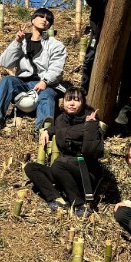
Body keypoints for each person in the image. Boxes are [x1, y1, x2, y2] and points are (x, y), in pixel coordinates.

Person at [0, 7, 67, 132]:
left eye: (48, 19)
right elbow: (5, 62)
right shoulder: (22, 41)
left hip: (45, 85)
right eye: (41, 16)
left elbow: (57, 68)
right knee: (7, 80)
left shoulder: (55, 45)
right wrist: (17, 43)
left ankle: (42, 129)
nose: (44, 20)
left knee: (47, 94)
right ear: (32, 20)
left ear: (49, 25)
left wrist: (45, 81)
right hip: (22, 83)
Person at [23, 85, 103, 217]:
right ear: (63, 102)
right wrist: (47, 131)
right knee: (31, 168)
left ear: (83, 103)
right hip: (62, 170)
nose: (71, 103)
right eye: (68, 100)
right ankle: (56, 199)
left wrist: (90, 127)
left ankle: (79, 204)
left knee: (58, 165)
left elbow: (92, 152)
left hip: (84, 172)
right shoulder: (61, 119)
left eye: (76, 100)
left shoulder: (91, 121)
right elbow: (59, 129)